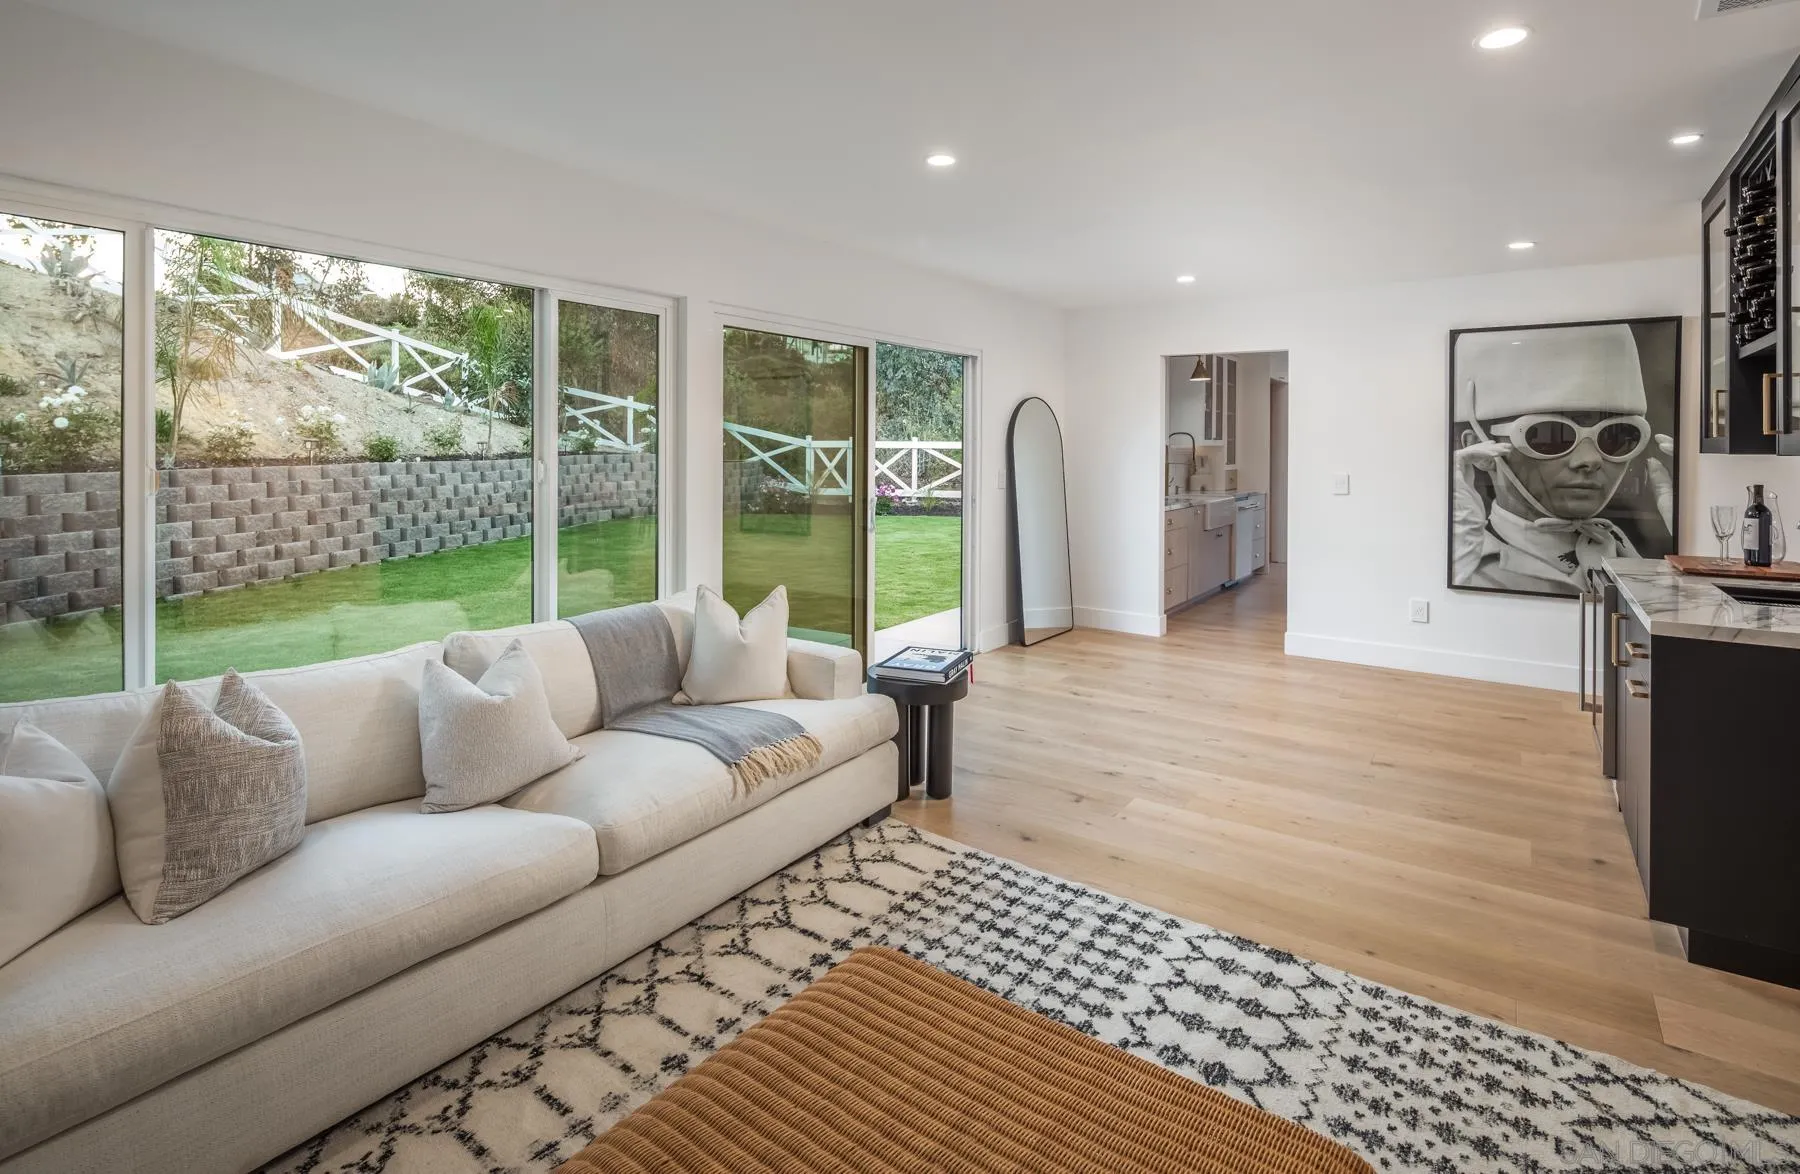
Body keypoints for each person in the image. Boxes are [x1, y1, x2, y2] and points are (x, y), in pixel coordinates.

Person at [1452, 324, 1674, 596]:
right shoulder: (1466, 564)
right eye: (1549, 436)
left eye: (1615, 437)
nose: (1590, 460)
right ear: (1477, 448)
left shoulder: (1628, 549)